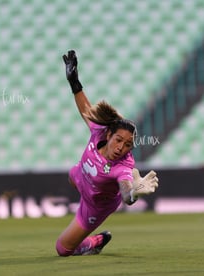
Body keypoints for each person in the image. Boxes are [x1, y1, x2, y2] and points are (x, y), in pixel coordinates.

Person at [55, 50, 159, 256]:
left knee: (63, 249)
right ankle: (78, 178)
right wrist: (74, 81)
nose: (121, 147)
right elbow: (85, 109)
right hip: (81, 177)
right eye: (119, 140)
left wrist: (133, 194)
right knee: (72, 174)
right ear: (109, 134)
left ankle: (95, 241)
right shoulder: (99, 130)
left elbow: (126, 191)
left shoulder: (123, 167)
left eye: (128, 145)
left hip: (96, 205)